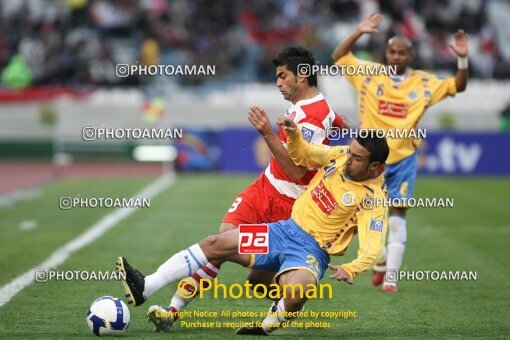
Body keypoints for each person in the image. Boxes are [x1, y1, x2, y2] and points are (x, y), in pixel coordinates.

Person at [117, 117, 389, 336]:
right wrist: (293, 135)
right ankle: (147, 285)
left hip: (311, 251)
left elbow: (373, 247)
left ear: (375, 166)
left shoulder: (373, 200)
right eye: (350, 152)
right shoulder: (341, 156)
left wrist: (352, 268)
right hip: (283, 232)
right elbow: (305, 154)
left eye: (357, 158)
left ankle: (269, 324)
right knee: (216, 243)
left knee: (298, 291)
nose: (348, 159)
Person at [146, 46, 348, 331]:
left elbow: (296, 170)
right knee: (221, 240)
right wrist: (336, 125)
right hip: (263, 188)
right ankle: (172, 310)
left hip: (286, 204)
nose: (278, 82)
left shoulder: (313, 116)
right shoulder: (313, 107)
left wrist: (266, 131)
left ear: (302, 76)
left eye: (282, 76)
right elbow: (336, 121)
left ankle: (288, 302)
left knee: (256, 281)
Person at [331, 13, 468, 292]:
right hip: (369, 161)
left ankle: (391, 277)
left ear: (411, 54)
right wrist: (359, 31)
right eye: (391, 51)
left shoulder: (424, 83)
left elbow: (458, 85)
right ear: (386, 52)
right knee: (354, 216)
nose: (395, 57)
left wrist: (463, 60)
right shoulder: (369, 74)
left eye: (401, 53)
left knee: (397, 216)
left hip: (403, 159)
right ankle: (379, 258)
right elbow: (339, 56)